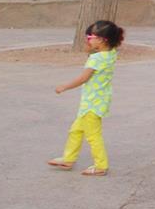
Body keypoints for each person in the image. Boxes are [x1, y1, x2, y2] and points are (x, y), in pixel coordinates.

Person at [48, 20, 124, 176]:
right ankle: (68, 158)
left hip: (92, 104)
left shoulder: (96, 59)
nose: (88, 39)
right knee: (76, 130)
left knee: (93, 135)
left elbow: (83, 78)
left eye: (91, 36)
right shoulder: (110, 54)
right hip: (97, 101)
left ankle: (101, 165)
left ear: (103, 39)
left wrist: (64, 86)